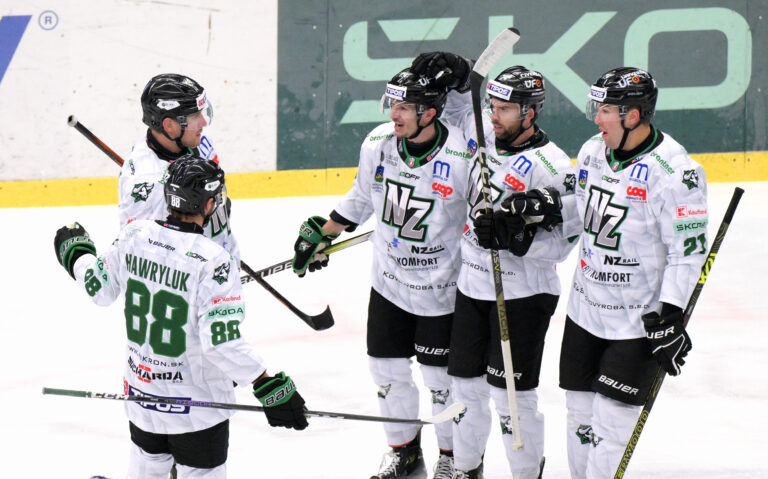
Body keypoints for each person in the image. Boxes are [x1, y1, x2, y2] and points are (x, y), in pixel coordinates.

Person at [54, 155, 308, 479]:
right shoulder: (214, 260)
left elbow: (98, 288)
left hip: (142, 400)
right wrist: (265, 382)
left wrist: (77, 255)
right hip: (197, 412)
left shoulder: (134, 236)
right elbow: (220, 342)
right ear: (210, 203)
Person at [290, 67, 473, 479]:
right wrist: (325, 231)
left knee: (440, 380)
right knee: (386, 371)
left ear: (430, 112)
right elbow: (361, 197)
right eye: (393, 103)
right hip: (389, 283)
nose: (395, 113)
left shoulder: (462, 156)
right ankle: (404, 451)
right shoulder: (379, 143)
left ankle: (450, 457)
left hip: (442, 289)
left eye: (405, 106)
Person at [411, 53, 580, 479]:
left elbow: (566, 243)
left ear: (530, 112)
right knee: (464, 392)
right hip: (471, 289)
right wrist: (457, 71)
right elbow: (454, 106)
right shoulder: (480, 130)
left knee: (512, 402)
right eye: (492, 106)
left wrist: (516, 239)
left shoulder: (554, 166)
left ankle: (526, 474)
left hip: (523, 295)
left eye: (505, 109)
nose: (495, 115)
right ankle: (466, 469)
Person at [548, 67, 706, 478]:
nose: (596, 118)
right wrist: (541, 209)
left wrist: (672, 314)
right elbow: (582, 215)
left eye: (605, 111)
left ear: (632, 116)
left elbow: (687, 251)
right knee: (579, 416)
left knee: (612, 424)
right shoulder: (591, 152)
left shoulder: (674, 172)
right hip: (585, 308)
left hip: (638, 321)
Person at [118, 73, 239, 263]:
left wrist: (218, 207)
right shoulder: (149, 188)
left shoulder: (196, 141)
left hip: (218, 269)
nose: (203, 123)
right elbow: (144, 260)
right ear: (170, 126)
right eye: (194, 116)